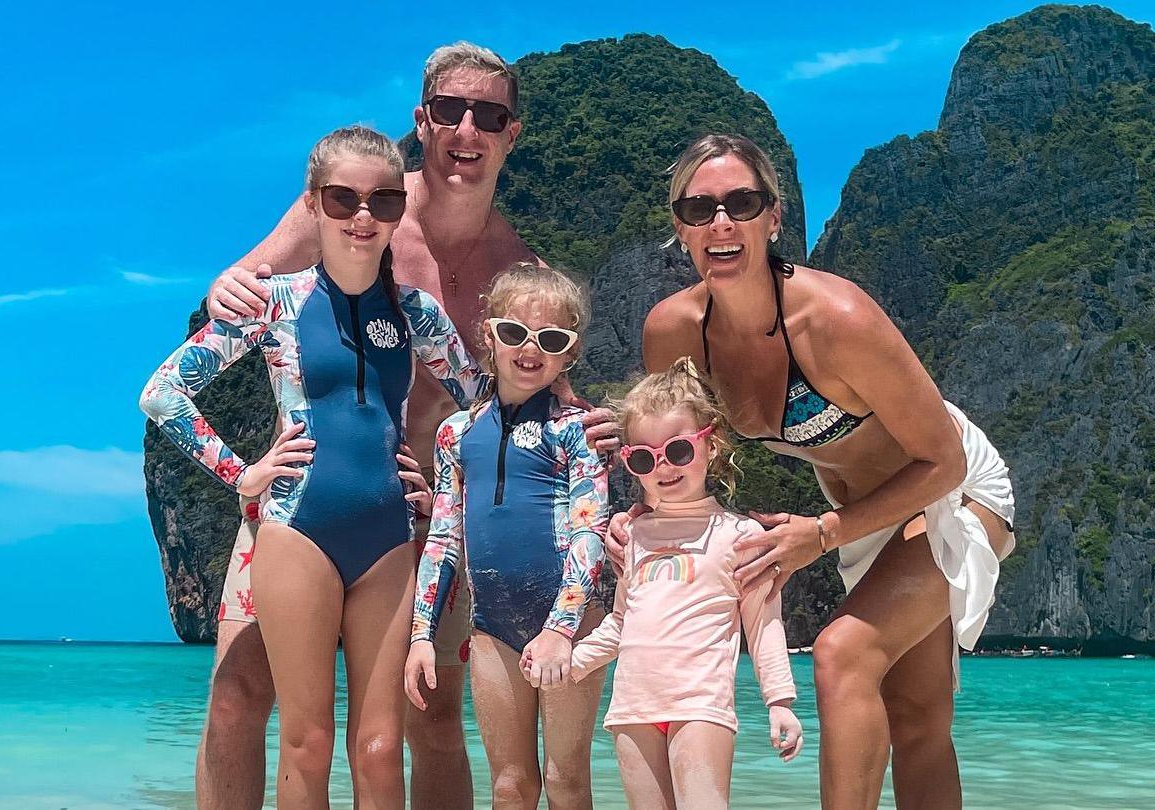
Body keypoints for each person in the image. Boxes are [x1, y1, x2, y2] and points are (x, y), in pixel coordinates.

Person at [591, 133, 1017, 809]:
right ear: (680, 227)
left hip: (952, 488)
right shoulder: (672, 334)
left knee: (841, 655)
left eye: (742, 202)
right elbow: (672, 447)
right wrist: (639, 517)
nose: (721, 222)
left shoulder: (834, 320)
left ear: (773, 217)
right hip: (861, 517)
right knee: (918, 721)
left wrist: (821, 535)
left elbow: (945, 459)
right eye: (700, 209)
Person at [196, 43, 534, 810]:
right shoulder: (359, 201)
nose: (467, 130)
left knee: (430, 721)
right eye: (450, 110)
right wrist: (221, 283)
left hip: (417, 523)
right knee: (237, 698)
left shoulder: (517, 267)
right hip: (301, 501)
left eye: (489, 115)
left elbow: (522, 402)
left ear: (512, 134)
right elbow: (247, 296)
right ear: (423, 121)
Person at [141, 125, 488, 809]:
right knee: (307, 741)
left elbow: (487, 409)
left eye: (384, 202)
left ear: (399, 210)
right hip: (295, 531)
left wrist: (441, 478)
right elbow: (161, 394)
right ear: (315, 202)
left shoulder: (417, 314)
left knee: (382, 746)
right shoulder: (274, 301)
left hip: (389, 537)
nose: (364, 217)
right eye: (344, 199)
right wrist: (240, 472)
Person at [405, 264, 609, 810]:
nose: (530, 349)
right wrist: (422, 634)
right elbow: (444, 537)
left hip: (570, 625)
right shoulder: (457, 433)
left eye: (551, 339)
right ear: (489, 337)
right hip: (491, 627)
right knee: (510, 785)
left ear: (569, 354)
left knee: (566, 782)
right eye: (515, 332)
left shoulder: (573, 430)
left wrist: (562, 629)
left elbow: (590, 531)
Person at [564, 357, 801, 810]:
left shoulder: (741, 537)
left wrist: (780, 701)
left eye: (677, 451)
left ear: (711, 445)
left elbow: (763, 623)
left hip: (701, 706)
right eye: (642, 457)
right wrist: (572, 663)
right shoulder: (631, 536)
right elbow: (621, 623)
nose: (663, 468)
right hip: (633, 707)